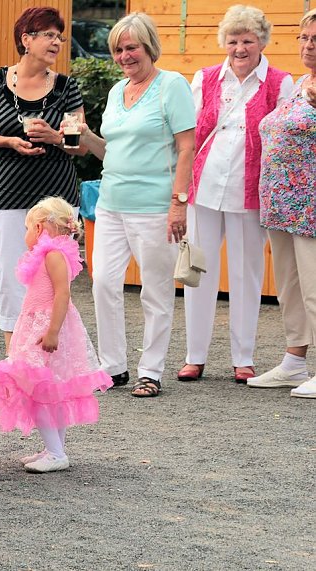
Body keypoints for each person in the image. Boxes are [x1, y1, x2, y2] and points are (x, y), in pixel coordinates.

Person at [79, 13, 196, 397]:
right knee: (103, 283)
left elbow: (186, 146)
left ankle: (151, 370)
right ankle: (112, 367)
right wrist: (85, 137)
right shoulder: (116, 92)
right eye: (117, 49)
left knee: (155, 290)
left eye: (131, 47)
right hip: (111, 203)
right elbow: (109, 150)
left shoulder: (171, 85)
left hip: (155, 207)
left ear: (149, 48)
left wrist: (179, 204)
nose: (124, 56)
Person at [178, 5, 294, 384]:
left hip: (251, 191)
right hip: (204, 188)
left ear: (262, 41)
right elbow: (189, 133)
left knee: (247, 274)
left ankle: (243, 357)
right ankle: (195, 356)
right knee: (198, 272)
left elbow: (284, 139)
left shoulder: (280, 82)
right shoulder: (206, 77)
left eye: (247, 39)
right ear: (223, 43)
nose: (240, 47)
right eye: (233, 40)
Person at [0, 6, 85, 353]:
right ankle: (17, 354)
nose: (56, 42)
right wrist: (8, 141)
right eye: (48, 34)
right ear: (26, 39)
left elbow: (77, 147)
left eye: (59, 36)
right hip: (5, 194)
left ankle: (53, 352)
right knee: (11, 275)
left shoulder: (67, 87)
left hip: (57, 197)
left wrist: (55, 138)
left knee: (55, 278)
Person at [0, 198, 112, 473]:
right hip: (39, 325)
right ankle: (55, 448)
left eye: (27, 228)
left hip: (46, 329)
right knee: (50, 389)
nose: (25, 234)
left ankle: (55, 452)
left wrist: (52, 331)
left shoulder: (53, 255)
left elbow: (63, 293)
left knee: (35, 388)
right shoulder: (48, 255)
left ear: (39, 228)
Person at [247, 9, 316, 398]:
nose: (307, 45)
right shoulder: (302, 83)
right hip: (280, 201)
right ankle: (294, 361)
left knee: (314, 285)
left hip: (311, 204)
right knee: (289, 287)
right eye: (303, 38)